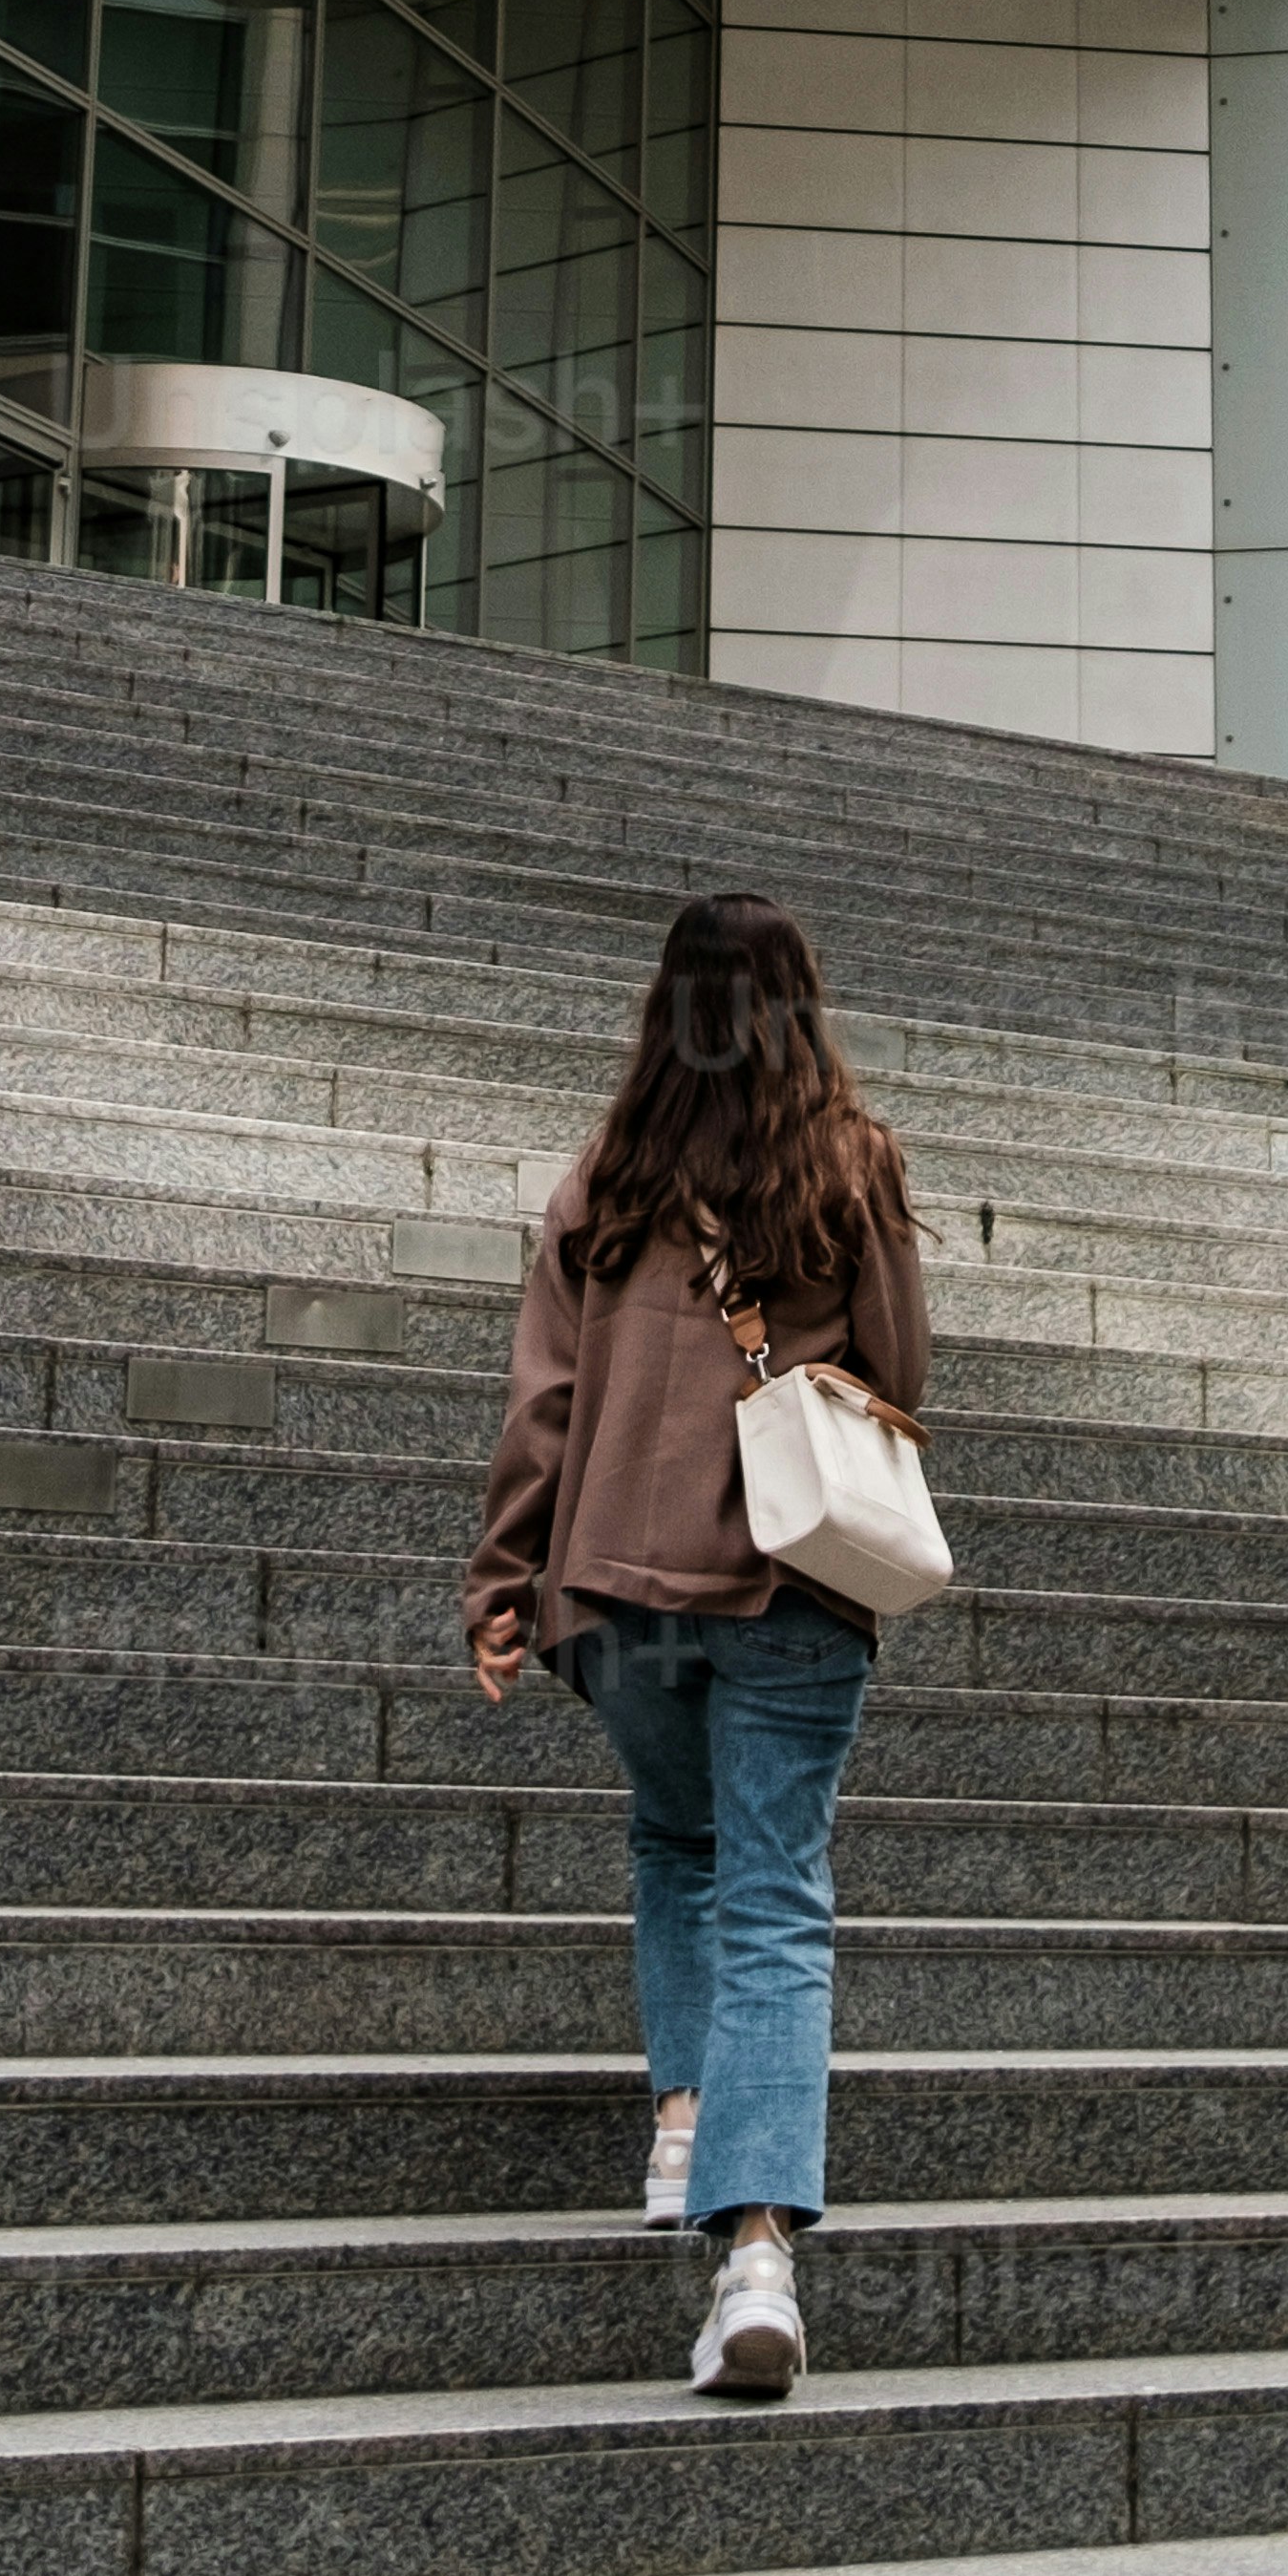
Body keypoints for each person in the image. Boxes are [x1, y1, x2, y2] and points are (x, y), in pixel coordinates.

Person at [462, 887, 933, 2400]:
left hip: (611, 1583)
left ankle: (681, 2121)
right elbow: (900, 1375)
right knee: (776, 1896)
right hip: (790, 1583)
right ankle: (753, 2260)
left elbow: (541, 1398)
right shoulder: (849, 1169)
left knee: (676, 1845)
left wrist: (503, 1579)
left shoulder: (605, 1177)